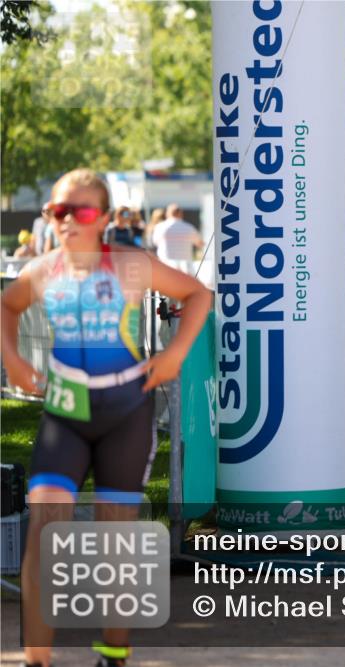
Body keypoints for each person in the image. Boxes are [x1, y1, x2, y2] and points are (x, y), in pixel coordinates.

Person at [0, 168, 212, 667]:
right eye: (59, 211)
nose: (69, 221)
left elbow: (199, 294)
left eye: (83, 211)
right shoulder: (42, 270)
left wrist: (175, 355)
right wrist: (13, 361)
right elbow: (7, 307)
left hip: (125, 413)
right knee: (43, 531)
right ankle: (36, 659)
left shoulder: (131, 265)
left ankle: (114, 653)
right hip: (66, 414)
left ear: (104, 218)